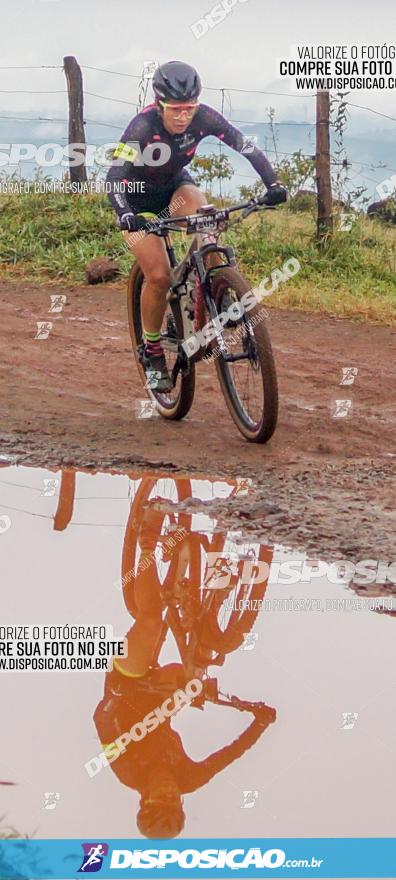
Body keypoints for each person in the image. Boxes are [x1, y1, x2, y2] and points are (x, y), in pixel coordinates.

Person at [107, 60, 287, 391]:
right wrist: (125, 215)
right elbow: (114, 177)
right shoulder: (141, 128)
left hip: (175, 188)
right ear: (159, 104)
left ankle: (216, 290)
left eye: (188, 108)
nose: (183, 116)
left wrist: (272, 183)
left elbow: (243, 144)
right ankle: (151, 350)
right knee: (159, 276)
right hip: (135, 201)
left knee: (207, 217)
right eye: (175, 109)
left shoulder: (204, 117)